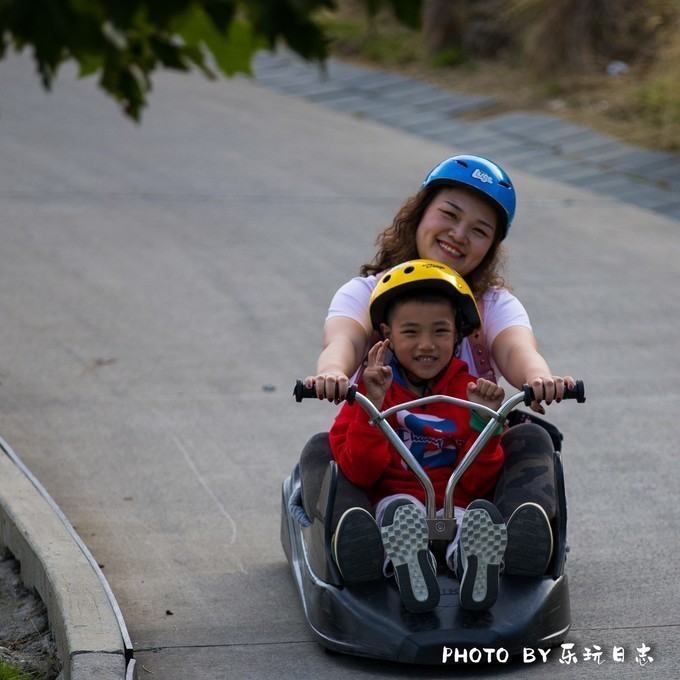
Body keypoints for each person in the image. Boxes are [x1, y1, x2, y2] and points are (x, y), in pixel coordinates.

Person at [299, 155, 574, 598]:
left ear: (491, 247)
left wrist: (540, 378)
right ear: (420, 213)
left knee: (532, 440)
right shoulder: (368, 295)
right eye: (449, 214)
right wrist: (331, 372)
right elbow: (343, 342)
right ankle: (360, 544)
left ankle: (509, 545)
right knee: (320, 451)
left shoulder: (489, 305)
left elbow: (520, 349)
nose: (459, 235)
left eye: (480, 230)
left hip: (467, 463)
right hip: (385, 465)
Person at [329, 260, 512, 612]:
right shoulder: (370, 391)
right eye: (411, 332)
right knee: (400, 514)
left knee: (473, 517)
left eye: (440, 332)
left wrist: (484, 426)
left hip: (455, 504)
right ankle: (412, 567)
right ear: (387, 334)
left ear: (458, 335)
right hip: (396, 504)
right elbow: (360, 473)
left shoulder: (468, 391)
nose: (426, 345)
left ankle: (469, 563)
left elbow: (476, 483)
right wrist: (372, 405)